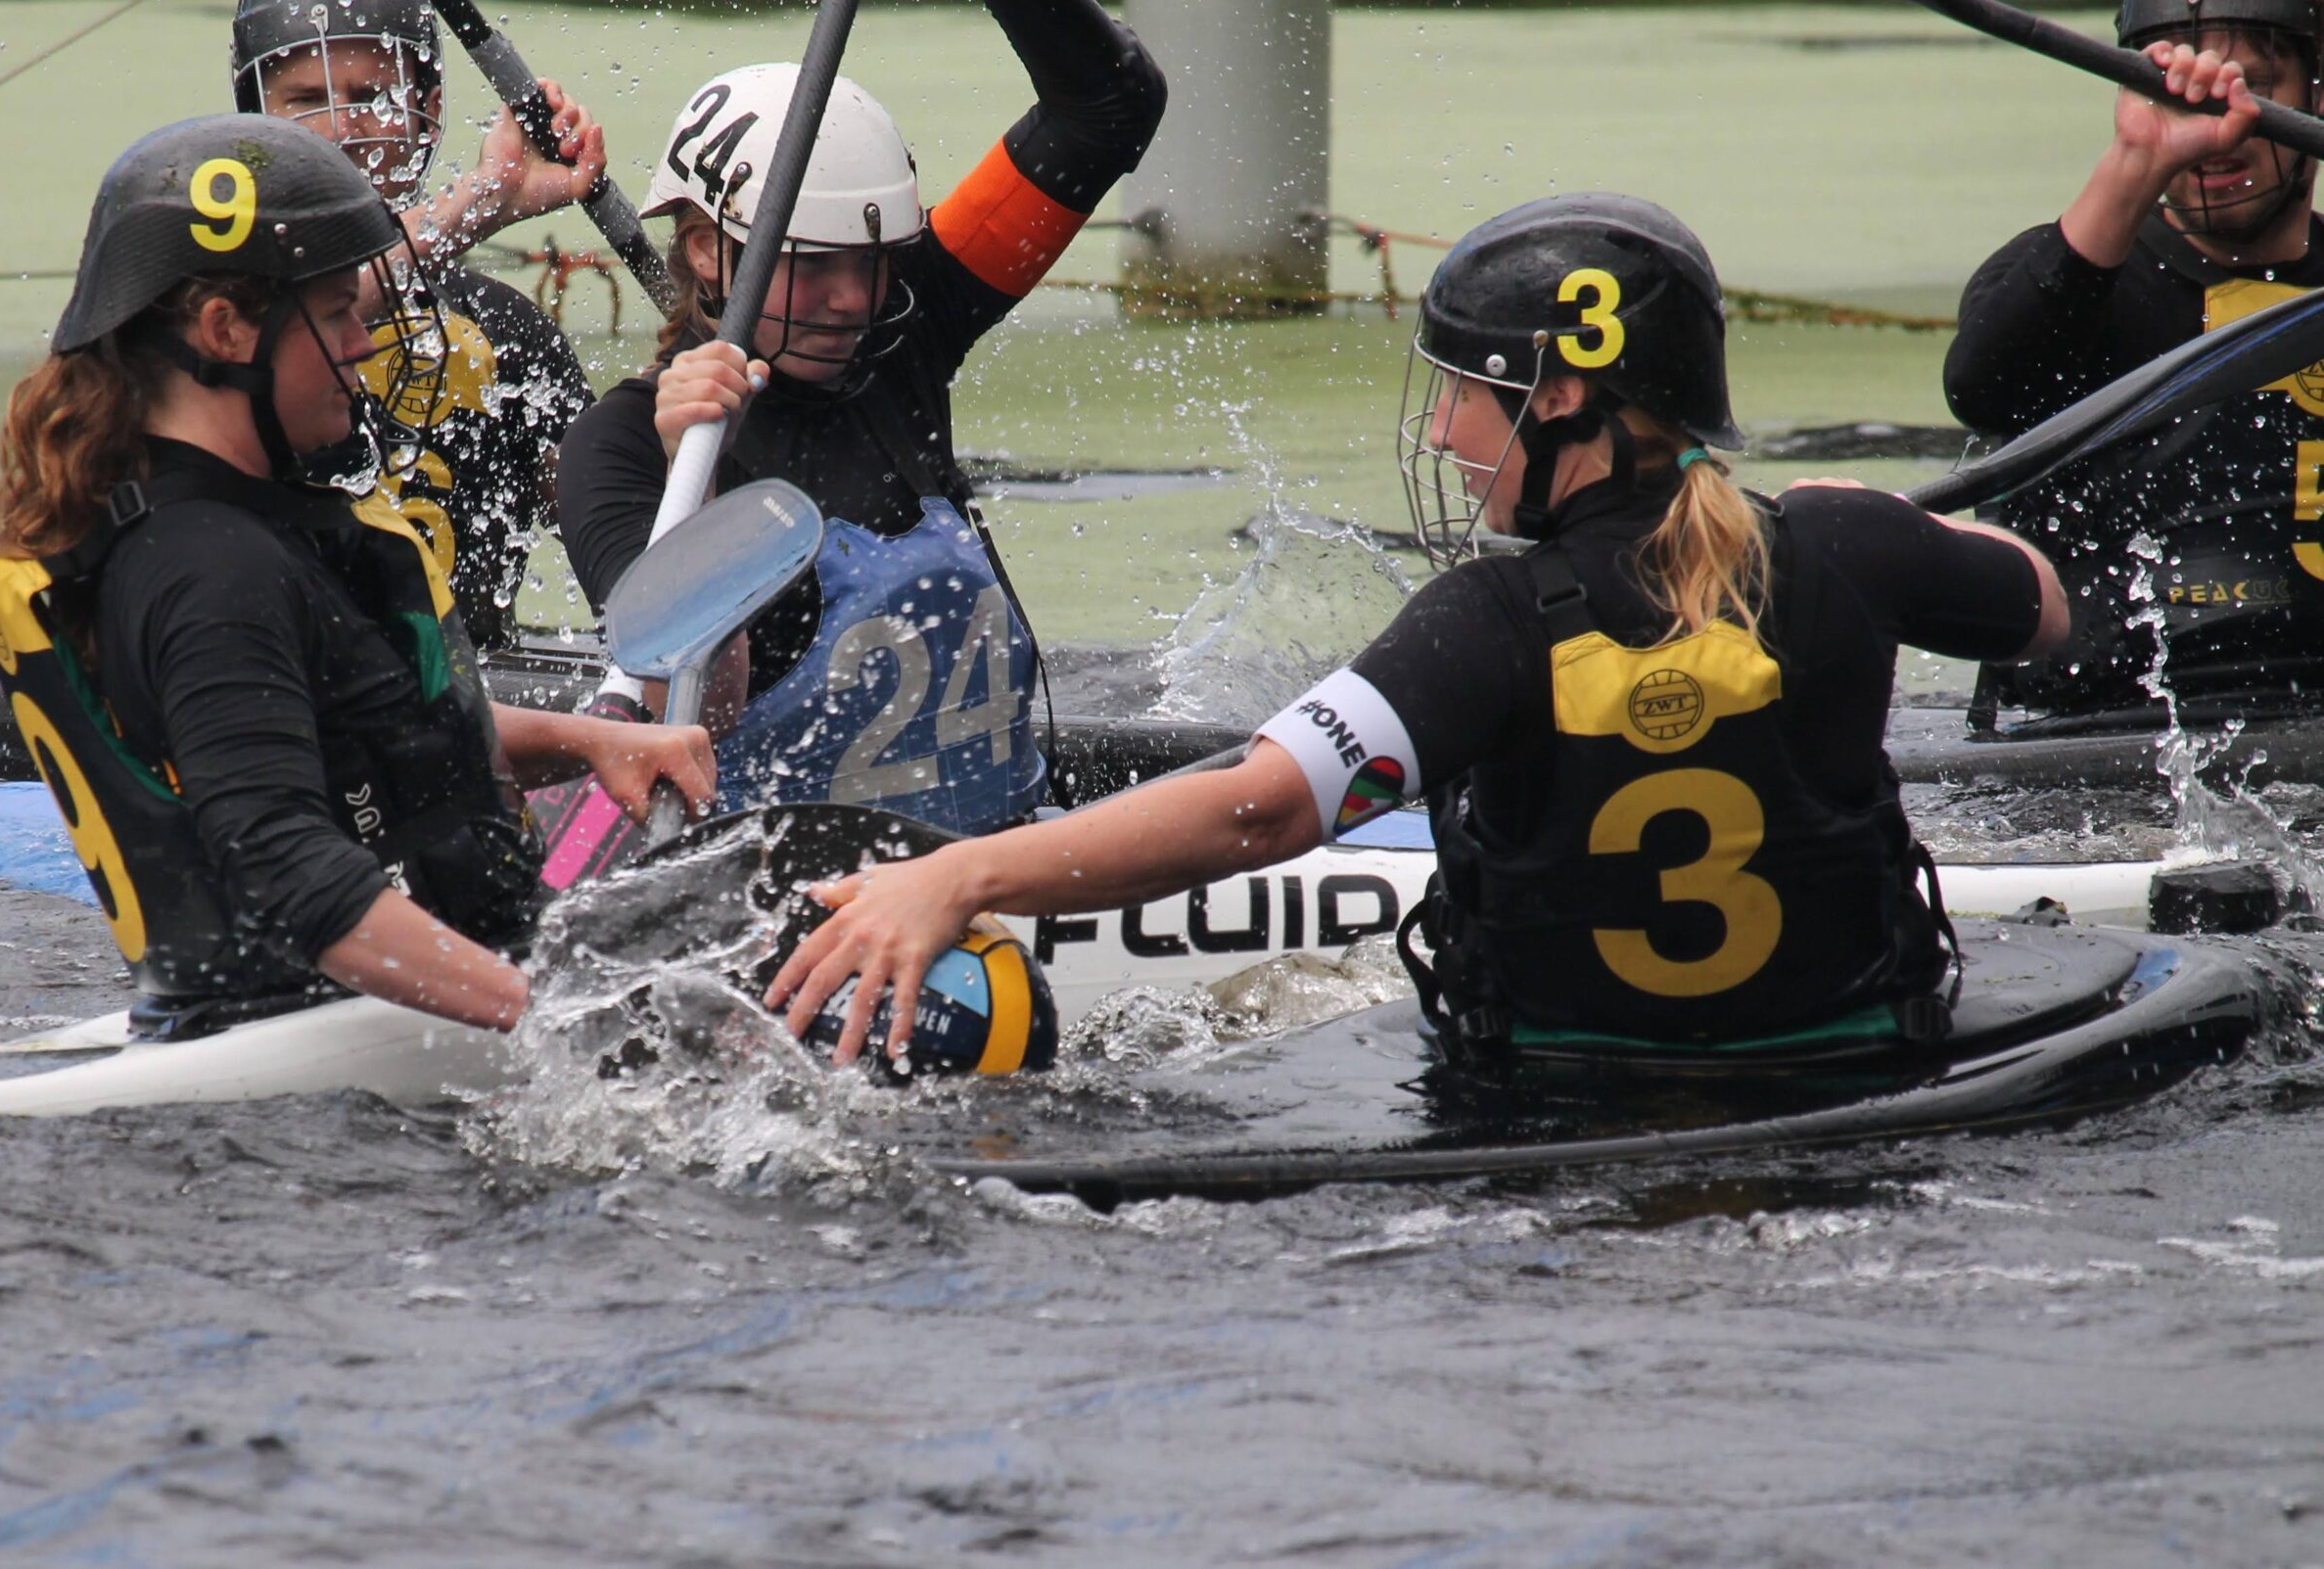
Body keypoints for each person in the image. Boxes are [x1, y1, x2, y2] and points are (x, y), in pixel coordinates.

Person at [765, 195, 2071, 1068]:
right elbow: (2041, 609)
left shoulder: (1488, 628)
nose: (1445, 437)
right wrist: (1878, 519)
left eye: (1470, 397)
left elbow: (1256, 812)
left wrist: (960, 874)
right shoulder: (1847, 547)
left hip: (1559, 1116)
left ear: (1566, 397)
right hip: (1859, 1073)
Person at [0, 116, 714, 1034]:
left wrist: (588, 739)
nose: (362, 344)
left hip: (343, 1011)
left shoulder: (215, 523)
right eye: (340, 313)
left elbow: (360, 728)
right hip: (332, 1048)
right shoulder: (208, 574)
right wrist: (562, 1024)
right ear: (226, 331)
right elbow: (293, 879)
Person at [555, 0, 1167, 836]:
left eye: (870, 263)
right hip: (776, 899)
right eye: (817, 266)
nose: (852, 299)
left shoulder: (907, 324)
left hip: (993, 870)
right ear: (708, 248)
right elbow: (688, 704)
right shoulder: (623, 446)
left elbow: (1111, 106)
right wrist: (700, 476)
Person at [1944, 0, 2324, 718]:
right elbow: (1984, 389)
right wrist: (2137, 159)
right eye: (2169, 93)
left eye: (2255, 89)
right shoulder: (2072, 279)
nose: (2216, 135)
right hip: (2097, 738)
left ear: (2316, 100)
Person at [232, 0, 602, 650]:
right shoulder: (210, 308)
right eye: (306, 100)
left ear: (425, 112)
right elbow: (296, 323)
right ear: (255, 121)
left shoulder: (510, 333)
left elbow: (619, 549)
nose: (340, 129)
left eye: (371, 96)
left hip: (473, 705)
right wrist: (484, 199)